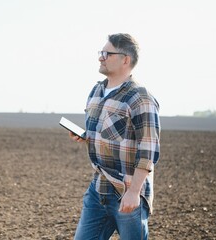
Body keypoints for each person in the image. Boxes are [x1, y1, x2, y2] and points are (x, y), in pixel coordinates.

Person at [69, 33, 161, 240]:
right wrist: (85, 136)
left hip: (127, 190)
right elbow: (107, 132)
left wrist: (134, 192)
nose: (100, 57)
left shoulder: (140, 97)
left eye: (106, 53)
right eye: (101, 53)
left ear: (125, 59)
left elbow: (149, 150)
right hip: (98, 188)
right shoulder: (97, 90)